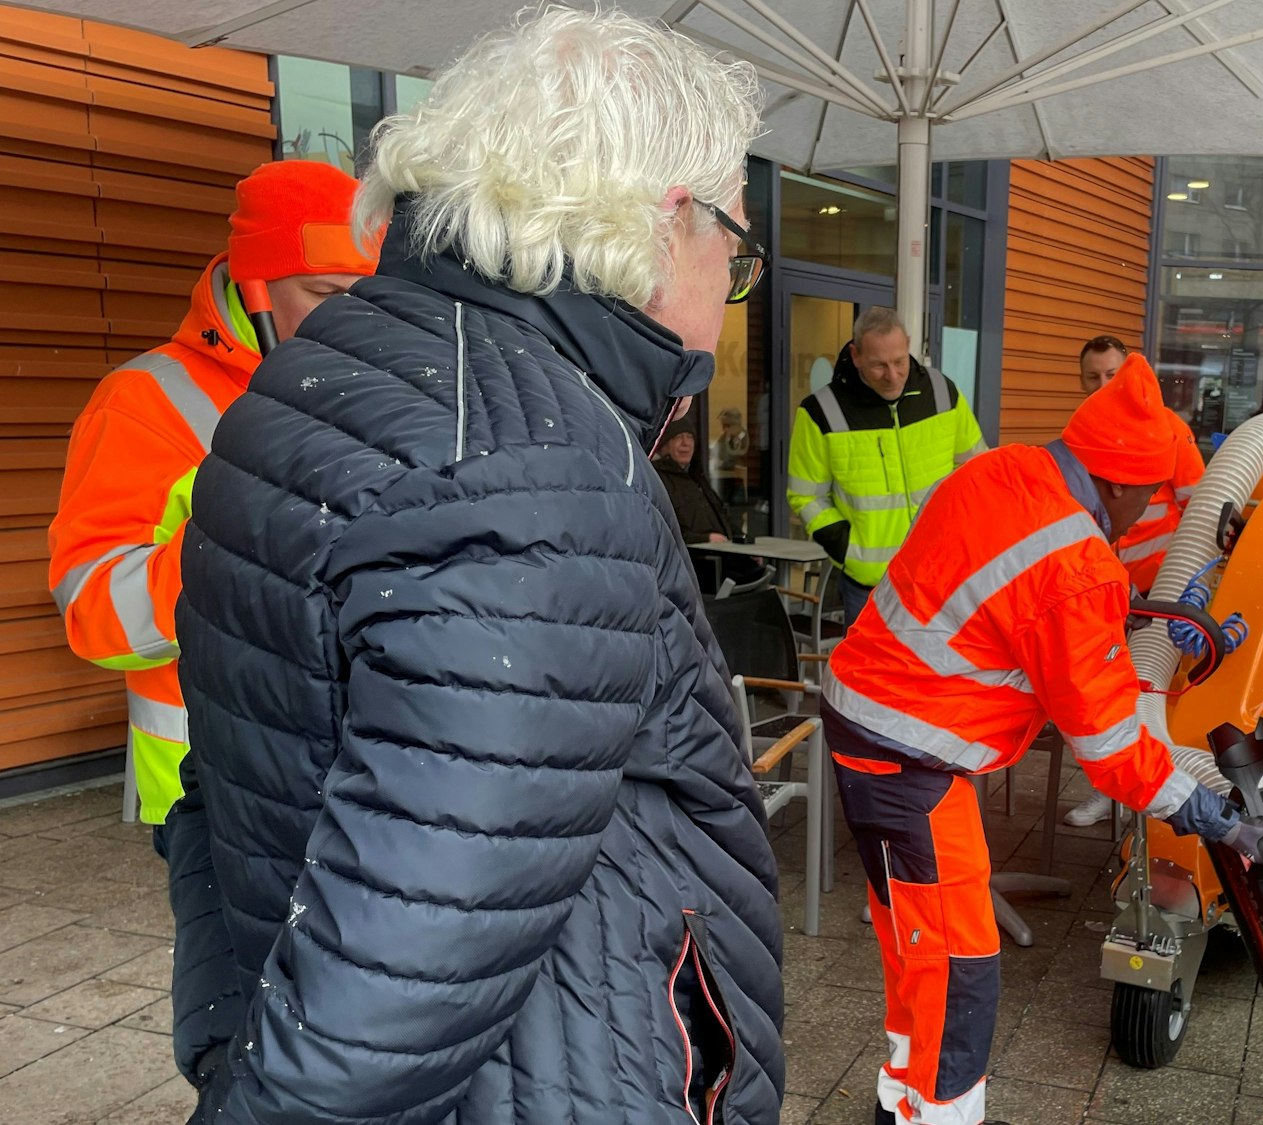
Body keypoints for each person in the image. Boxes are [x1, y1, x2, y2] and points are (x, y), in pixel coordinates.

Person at [170, 10, 783, 1121]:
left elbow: (228, 782)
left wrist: (224, 1033)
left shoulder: (328, 372)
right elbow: (400, 960)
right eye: (733, 249)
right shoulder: (534, 466)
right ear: (664, 221)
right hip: (559, 1076)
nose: (727, 293)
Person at [823, 355, 1253, 1125]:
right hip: (911, 758)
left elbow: (1010, 592)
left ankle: (903, 1098)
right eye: (1149, 498)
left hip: (869, 722)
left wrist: (1136, 610)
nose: (1145, 514)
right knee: (961, 965)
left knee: (914, 942)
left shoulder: (1005, 470)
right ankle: (939, 1115)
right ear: (1118, 484)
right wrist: (1209, 813)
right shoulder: (1076, 565)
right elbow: (1114, 744)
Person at [48, 159, 375, 828]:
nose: (351, 326)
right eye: (324, 293)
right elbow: (93, 615)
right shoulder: (142, 402)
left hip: (356, 784)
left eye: (365, 300)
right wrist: (237, 536)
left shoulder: (370, 393)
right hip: (207, 798)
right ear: (253, 287)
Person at [1063, 334, 1203, 828]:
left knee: (1150, 696)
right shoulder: (1082, 436)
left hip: (1161, 596)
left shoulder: (1167, 432)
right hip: (1102, 594)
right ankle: (1105, 790)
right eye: (1092, 377)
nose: (1102, 385)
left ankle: (1155, 797)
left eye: (1111, 375)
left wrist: (1186, 584)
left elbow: (1202, 511)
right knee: (1097, 695)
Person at [788, 307, 987, 624]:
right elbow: (805, 495)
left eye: (899, 361)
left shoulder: (942, 393)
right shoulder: (821, 412)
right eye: (878, 365)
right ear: (856, 356)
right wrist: (847, 548)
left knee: (942, 673)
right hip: (869, 585)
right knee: (871, 673)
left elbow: (977, 471)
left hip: (941, 575)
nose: (892, 375)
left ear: (908, 345)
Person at [657, 413, 764, 593]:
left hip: (726, 558)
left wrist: (746, 545)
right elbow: (664, 531)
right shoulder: (659, 481)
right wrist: (705, 539)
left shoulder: (697, 479)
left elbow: (725, 519)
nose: (686, 443)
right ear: (665, 445)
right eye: (678, 438)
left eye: (689, 437)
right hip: (701, 566)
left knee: (762, 573)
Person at [711, 404, 750, 503]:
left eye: (728, 426)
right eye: (724, 426)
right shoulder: (725, 437)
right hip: (724, 472)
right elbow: (718, 449)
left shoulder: (741, 435)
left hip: (735, 473)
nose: (725, 429)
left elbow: (737, 452)